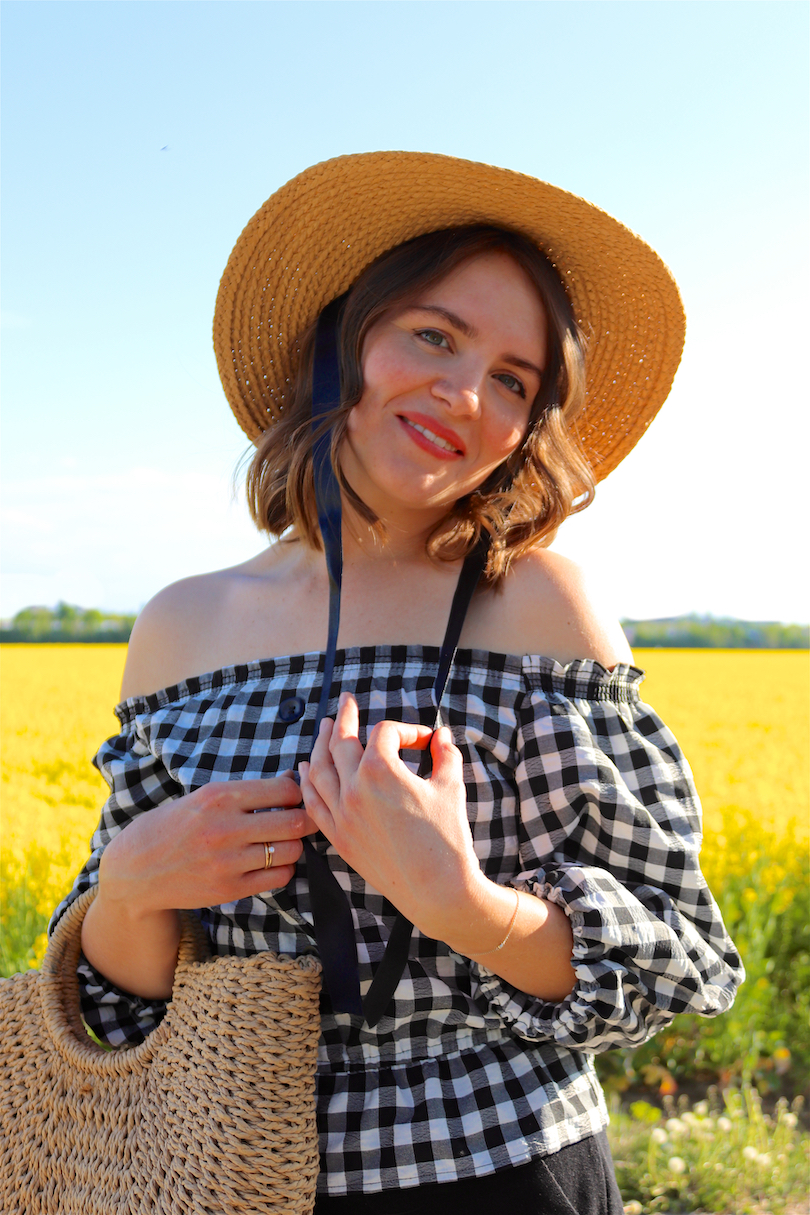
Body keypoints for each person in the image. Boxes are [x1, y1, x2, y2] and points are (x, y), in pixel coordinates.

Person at [50, 152, 744, 1214]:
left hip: (507, 1177)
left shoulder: (540, 607)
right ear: (341, 343)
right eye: (434, 334)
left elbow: (672, 957)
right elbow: (127, 994)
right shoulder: (183, 624)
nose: (465, 394)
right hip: (223, 1173)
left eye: (514, 379)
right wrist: (135, 884)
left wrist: (458, 900)